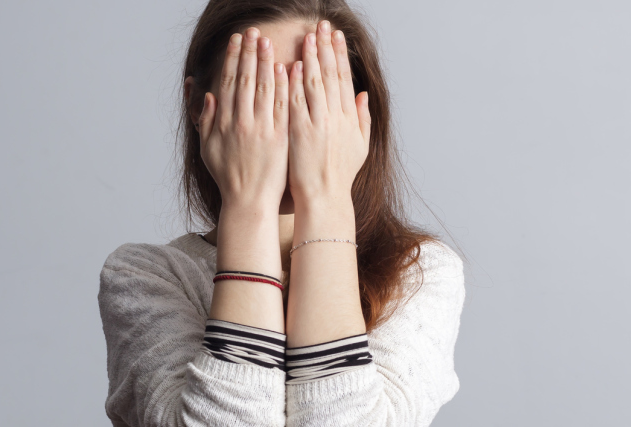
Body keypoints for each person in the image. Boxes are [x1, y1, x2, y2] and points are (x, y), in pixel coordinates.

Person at [98, 1, 465, 425]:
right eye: (258, 93)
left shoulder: (418, 273)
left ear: (359, 116)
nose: (290, 126)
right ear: (199, 106)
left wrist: (325, 196)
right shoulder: (144, 276)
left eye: (317, 95)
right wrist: (249, 203)